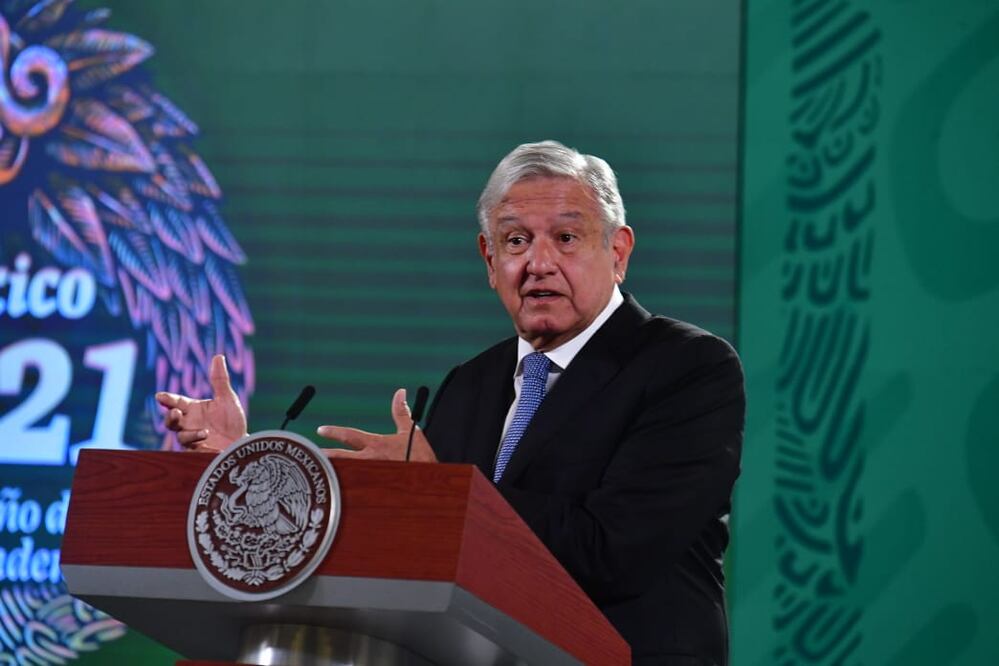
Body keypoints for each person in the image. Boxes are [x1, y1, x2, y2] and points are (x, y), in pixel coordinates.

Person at [157, 141, 744, 665]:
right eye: (516, 241)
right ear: (490, 261)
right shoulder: (471, 384)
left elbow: (614, 550)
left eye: (566, 238)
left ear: (618, 251)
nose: (538, 263)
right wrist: (242, 464)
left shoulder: (688, 367)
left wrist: (444, 491)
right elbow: (413, 546)